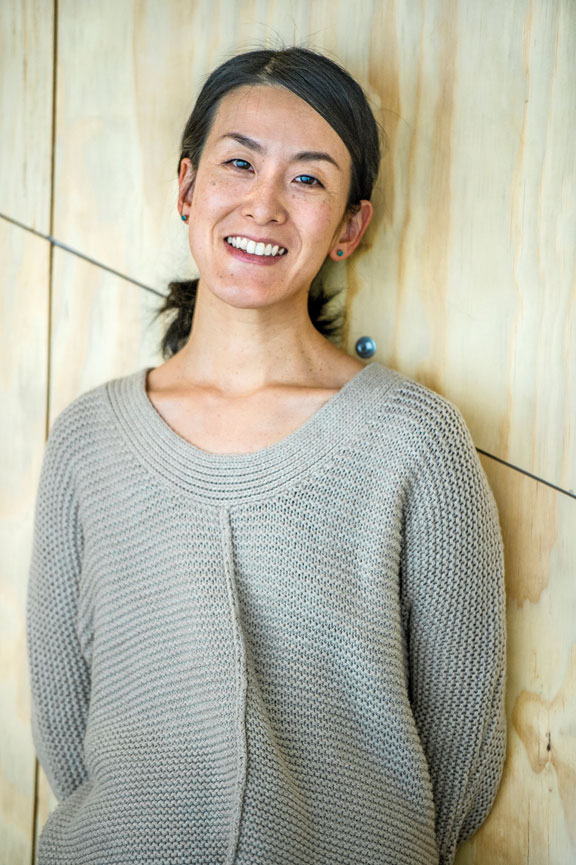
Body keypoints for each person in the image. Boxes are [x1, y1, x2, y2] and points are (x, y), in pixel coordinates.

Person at [26, 47, 506, 865]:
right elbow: (68, 739)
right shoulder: (86, 440)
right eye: (238, 162)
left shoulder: (416, 442)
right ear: (186, 187)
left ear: (351, 226)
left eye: (309, 179)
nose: (264, 203)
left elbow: (459, 757)